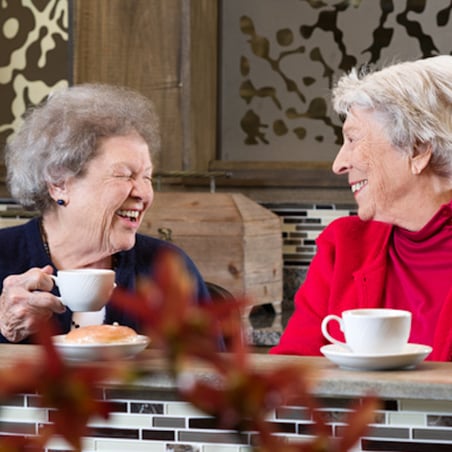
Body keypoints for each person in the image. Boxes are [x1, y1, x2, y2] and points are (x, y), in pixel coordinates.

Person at [0, 83, 217, 346]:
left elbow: (214, 379)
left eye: (147, 177)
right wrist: (5, 330)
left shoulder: (168, 267)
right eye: (124, 175)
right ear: (59, 182)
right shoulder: (5, 256)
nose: (142, 193)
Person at [271, 55, 452, 361]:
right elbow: (293, 373)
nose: (339, 164)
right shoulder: (343, 247)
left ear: (418, 150)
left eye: (353, 139)